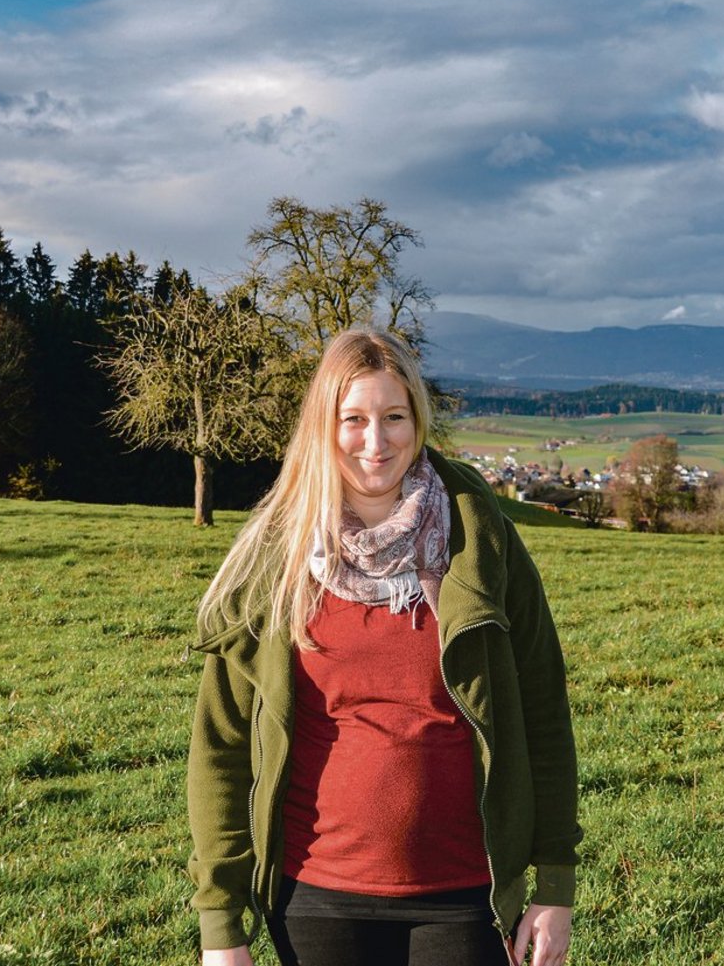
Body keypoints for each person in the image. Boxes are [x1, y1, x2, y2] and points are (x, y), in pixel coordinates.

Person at [186, 328, 582, 966]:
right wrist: (220, 925)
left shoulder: (482, 544)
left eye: (394, 417)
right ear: (325, 425)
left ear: (418, 421)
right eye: (354, 419)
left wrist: (554, 884)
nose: (376, 442)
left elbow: (543, 716)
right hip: (314, 896)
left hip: (464, 895)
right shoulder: (274, 559)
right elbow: (221, 748)